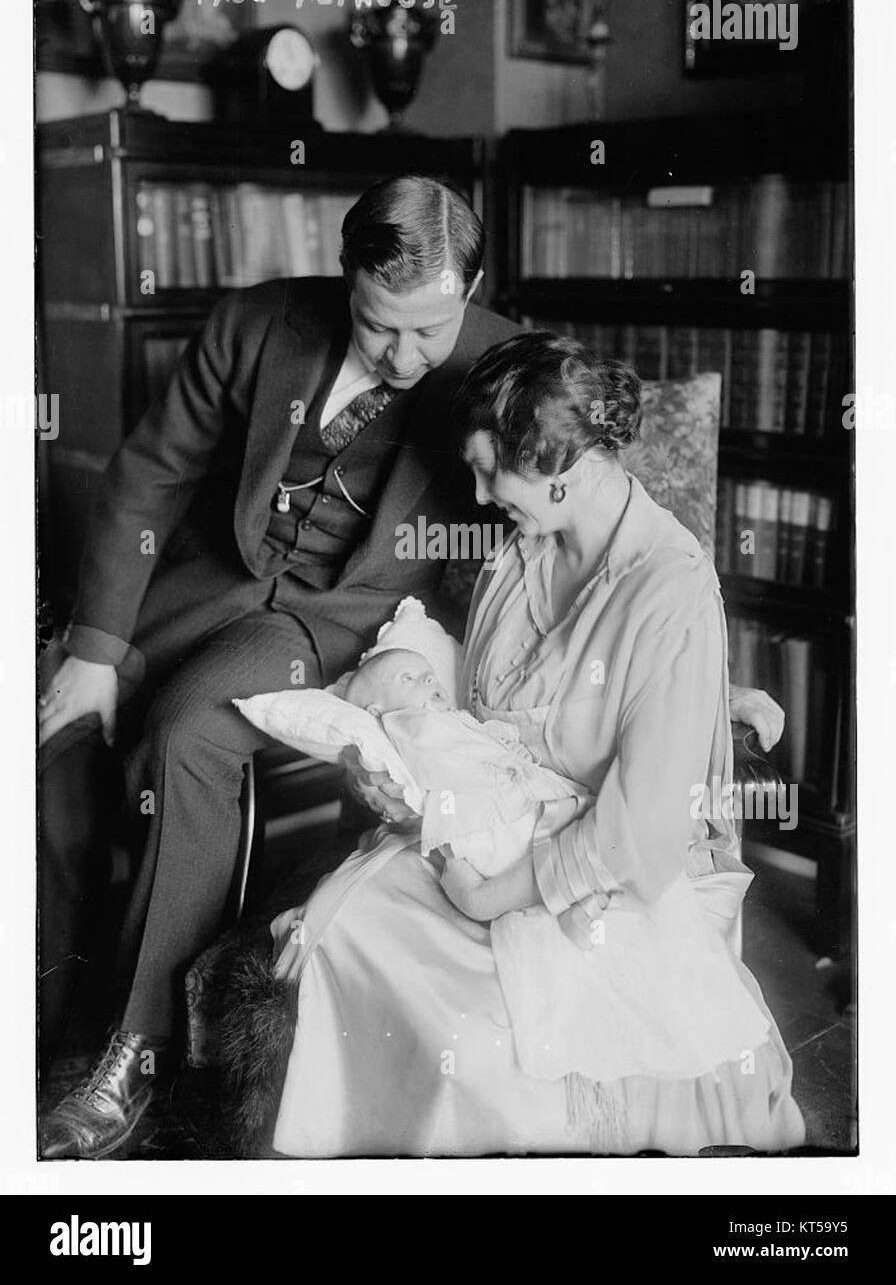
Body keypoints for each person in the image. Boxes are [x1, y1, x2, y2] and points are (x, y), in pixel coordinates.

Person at [38, 176, 782, 1160]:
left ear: (469, 293)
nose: (404, 356)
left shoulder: (500, 370)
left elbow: (612, 524)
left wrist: (698, 688)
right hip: (206, 584)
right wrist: (93, 650)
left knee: (184, 734)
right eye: (380, 327)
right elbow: (149, 474)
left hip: (342, 620)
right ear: (345, 277)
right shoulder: (259, 321)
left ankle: (133, 1044)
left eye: (431, 331)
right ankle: (40, 999)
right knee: (55, 727)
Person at [267, 332, 805, 1157]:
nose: (479, 497)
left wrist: (490, 895)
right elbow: (482, 719)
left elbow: (644, 828)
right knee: (348, 934)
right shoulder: (518, 556)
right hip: (494, 830)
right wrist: (399, 772)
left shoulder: (673, 584)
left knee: (475, 1050)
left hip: (603, 880)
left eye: (492, 471)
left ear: (562, 464)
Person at [344, 646, 585, 876]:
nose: (429, 679)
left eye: (431, 675)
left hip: (516, 805)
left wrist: (508, 747)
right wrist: (503, 766)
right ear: (376, 712)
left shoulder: (447, 720)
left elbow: (479, 743)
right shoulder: (410, 725)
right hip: (499, 819)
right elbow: (451, 763)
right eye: (407, 678)